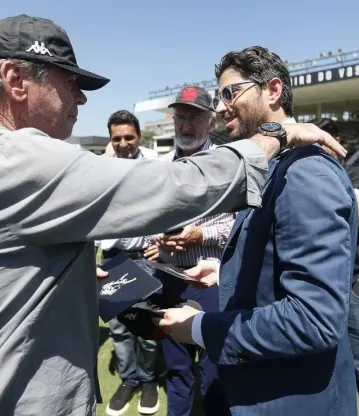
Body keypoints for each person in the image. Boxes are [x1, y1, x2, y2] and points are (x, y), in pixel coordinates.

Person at [0, 15, 346, 416]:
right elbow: (171, 188)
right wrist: (272, 136)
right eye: (70, 82)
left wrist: (59, 278)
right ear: (16, 80)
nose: (81, 97)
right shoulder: (8, 158)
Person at [155, 46, 358, 415]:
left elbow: (314, 319)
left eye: (231, 93)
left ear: (274, 90)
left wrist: (200, 328)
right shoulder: (275, 165)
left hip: (294, 401)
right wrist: (224, 270)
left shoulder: (305, 173)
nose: (220, 107)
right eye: (219, 96)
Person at [149, 85, 232, 416]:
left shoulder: (228, 164)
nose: (186, 125)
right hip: (168, 278)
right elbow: (147, 218)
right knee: (177, 369)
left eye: (195, 118)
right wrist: (154, 234)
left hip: (210, 282)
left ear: (211, 123)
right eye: (181, 117)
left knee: (213, 371)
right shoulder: (160, 167)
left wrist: (201, 234)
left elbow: (238, 225)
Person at [312, 117, 359, 416]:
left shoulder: (355, 174)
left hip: (355, 285)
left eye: (326, 139)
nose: (320, 146)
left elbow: (355, 213)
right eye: (315, 140)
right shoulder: (304, 177)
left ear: (338, 141)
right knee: (324, 374)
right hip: (317, 285)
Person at [97, 110, 160, 416]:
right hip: (113, 258)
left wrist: (160, 241)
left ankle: (148, 380)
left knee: (146, 328)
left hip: (145, 258)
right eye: (116, 138)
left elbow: (169, 205)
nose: (123, 143)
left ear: (139, 136)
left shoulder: (155, 166)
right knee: (120, 328)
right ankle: (129, 380)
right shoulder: (101, 169)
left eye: (128, 137)